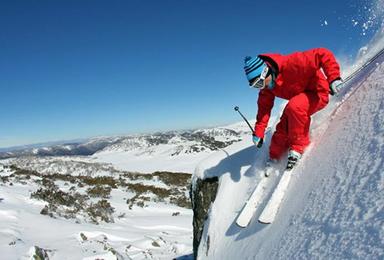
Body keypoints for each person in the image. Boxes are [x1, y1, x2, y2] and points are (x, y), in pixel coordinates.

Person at [243, 48, 343, 170]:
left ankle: (298, 147)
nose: (261, 87)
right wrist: (259, 132)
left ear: (265, 71)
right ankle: (274, 156)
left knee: (294, 106)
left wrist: (333, 78)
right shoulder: (267, 88)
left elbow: (322, 54)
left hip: (318, 93)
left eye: (259, 83)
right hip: (300, 98)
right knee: (283, 127)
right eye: (255, 86)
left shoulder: (292, 63)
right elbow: (264, 109)